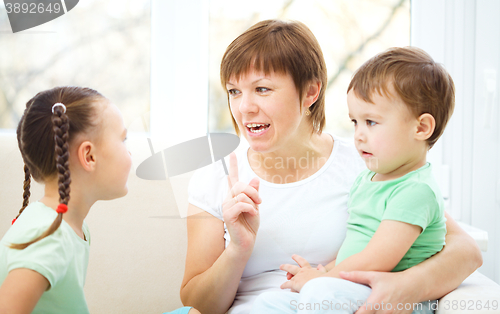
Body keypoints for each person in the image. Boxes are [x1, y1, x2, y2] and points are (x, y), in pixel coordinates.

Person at [180, 20, 482, 314]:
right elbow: (198, 303)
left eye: (262, 89)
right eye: (234, 91)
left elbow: (465, 252)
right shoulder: (215, 177)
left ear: (311, 92)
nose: (244, 107)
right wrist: (237, 248)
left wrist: (406, 286)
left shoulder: (369, 163)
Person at [249, 46, 453, 313]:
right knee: (268, 302)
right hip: (350, 286)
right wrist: (324, 269)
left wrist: (322, 279)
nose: (358, 134)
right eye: (355, 122)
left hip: (388, 297)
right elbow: (355, 248)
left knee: (319, 292)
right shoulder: (367, 179)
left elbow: (378, 258)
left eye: (371, 122)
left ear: (421, 127)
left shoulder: (415, 191)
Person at [0, 87, 199, 314]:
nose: (129, 153)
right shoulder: (49, 238)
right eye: (123, 140)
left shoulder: (66, 225)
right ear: (89, 156)